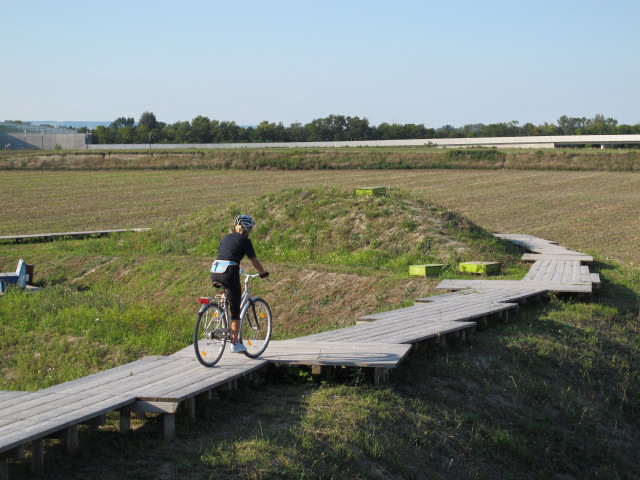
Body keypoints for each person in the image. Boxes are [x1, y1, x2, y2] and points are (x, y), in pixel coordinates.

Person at [210, 214, 269, 353]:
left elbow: (225, 255)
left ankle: (222, 317)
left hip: (215, 270)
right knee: (235, 309)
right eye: (251, 228)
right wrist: (263, 273)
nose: (251, 230)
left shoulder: (225, 237)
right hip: (229, 271)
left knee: (226, 295)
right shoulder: (245, 240)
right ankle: (235, 344)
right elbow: (254, 261)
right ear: (247, 228)